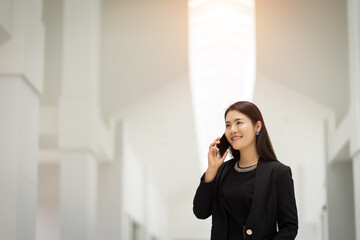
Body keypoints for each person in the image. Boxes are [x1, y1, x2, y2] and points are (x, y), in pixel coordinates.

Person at [193, 101, 298, 240]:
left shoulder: (278, 172)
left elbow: (289, 227)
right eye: (228, 125)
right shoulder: (221, 171)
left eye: (239, 122)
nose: (232, 130)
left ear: (257, 126)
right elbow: (201, 212)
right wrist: (211, 170)